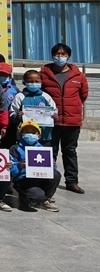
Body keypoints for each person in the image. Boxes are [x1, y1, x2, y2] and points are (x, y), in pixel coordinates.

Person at [40, 43, 89, 194]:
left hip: (71, 121)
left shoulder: (78, 75)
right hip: (50, 121)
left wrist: (72, 107)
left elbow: (83, 95)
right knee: (50, 151)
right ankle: (47, 180)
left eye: (63, 54)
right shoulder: (44, 74)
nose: (60, 57)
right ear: (52, 55)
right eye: (57, 54)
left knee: (70, 151)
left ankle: (72, 182)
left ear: (68, 56)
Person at [9, 120, 60, 212]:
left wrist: (52, 165)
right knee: (36, 195)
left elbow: (51, 169)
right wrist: (19, 166)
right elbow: (10, 168)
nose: (30, 134)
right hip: (23, 179)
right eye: (26, 132)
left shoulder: (43, 149)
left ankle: (45, 200)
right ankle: (24, 199)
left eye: (33, 132)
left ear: (39, 136)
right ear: (21, 134)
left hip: (39, 177)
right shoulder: (14, 149)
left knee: (56, 174)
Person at [11, 70, 57, 150]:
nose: (34, 83)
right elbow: (12, 114)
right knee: (24, 155)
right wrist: (17, 116)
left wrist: (55, 116)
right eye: (30, 81)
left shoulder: (46, 96)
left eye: (36, 81)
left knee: (43, 156)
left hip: (44, 136)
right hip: (25, 136)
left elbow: (54, 111)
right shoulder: (20, 96)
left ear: (41, 82)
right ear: (24, 82)